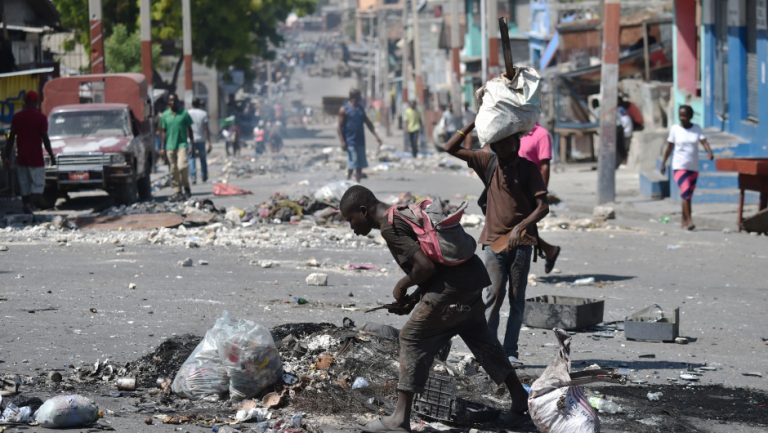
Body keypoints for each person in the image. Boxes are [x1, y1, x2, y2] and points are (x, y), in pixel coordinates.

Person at [340, 185, 530, 432]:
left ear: (363, 211)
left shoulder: (390, 227)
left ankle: (399, 419)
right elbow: (435, 266)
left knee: (410, 337)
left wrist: (401, 286)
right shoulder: (402, 212)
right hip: (471, 280)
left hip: (453, 290)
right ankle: (519, 398)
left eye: (350, 219)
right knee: (483, 342)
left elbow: (425, 268)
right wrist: (415, 297)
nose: (352, 227)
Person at [444, 122, 550, 367]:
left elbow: (543, 207)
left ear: (516, 142)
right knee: (493, 295)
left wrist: (520, 228)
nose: (501, 147)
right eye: (497, 143)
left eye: (506, 142)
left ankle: (510, 351)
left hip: (521, 242)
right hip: (493, 242)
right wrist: (475, 121)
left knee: (516, 298)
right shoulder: (488, 163)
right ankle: (488, 350)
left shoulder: (528, 169)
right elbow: (450, 148)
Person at [660, 105, 714, 230]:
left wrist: (709, 152)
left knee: (688, 195)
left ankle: (683, 221)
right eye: (680, 115)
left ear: (690, 116)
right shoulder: (675, 129)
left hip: (693, 167)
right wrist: (663, 163)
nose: (682, 118)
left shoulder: (696, 129)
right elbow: (669, 147)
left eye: (684, 115)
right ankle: (689, 220)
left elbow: (704, 141)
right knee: (685, 191)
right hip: (679, 166)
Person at [518, 123, 561, 274]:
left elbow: (544, 166)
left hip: (530, 189)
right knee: (522, 226)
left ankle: (549, 250)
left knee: (522, 227)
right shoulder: (515, 131)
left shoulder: (541, 134)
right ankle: (550, 250)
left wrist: (541, 193)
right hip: (515, 189)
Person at [2, 91, 55, 213]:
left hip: (22, 158)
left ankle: (27, 206)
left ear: (25, 102)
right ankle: (31, 204)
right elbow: (45, 138)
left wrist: (6, 156)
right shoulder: (41, 118)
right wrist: (51, 155)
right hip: (36, 159)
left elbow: (11, 138)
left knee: (24, 186)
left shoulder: (17, 117)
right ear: (36, 102)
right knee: (37, 187)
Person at [337, 88, 382, 182]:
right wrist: (342, 141)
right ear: (354, 97)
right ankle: (348, 181)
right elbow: (339, 127)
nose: (360, 98)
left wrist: (376, 136)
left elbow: (368, 123)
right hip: (350, 141)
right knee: (353, 162)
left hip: (360, 140)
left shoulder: (360, 109)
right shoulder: (344, 109)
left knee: (360, 164)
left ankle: (357, 184)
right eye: (359, 96)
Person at [159, 93, 194, 201]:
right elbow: (163, 132)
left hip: (182, 144)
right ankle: (177, 190)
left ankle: (186, 186)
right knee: (173, 169)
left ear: (177, 101)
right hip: (170, 145)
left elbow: (190, 129)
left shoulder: (184, 114)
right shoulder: (165, 115)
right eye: (170, 100)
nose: (172, 102)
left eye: (174, 100)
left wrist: (192, 143)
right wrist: (162, 147)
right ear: (168, 103)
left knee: (182, 166)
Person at [187, 98, 211, 184]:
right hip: (201, 139)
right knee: (203, 158)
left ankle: (193, 177)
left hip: (190, 140)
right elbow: (206, 129)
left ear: (192, 104)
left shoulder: (188, 113)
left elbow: (186, 128)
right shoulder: (203, 113)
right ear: (199, 104)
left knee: (191, 158)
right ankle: (204, 176)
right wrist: (209, 141)